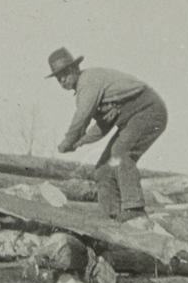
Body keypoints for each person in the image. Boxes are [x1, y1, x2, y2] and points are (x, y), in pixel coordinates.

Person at [47, 47, 169, 221]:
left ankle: (134, 208)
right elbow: (103, 126)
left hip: (149, 109)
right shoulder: (86, 90)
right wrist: (79, 142)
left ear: (75, 68)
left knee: (120, 152)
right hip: (133, 118)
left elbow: (82, 116)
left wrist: (68, 141)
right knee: (103, 168)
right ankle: (109, 217)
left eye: (65, 73)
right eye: (58, 78)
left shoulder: (88, 82)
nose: (62, 80)